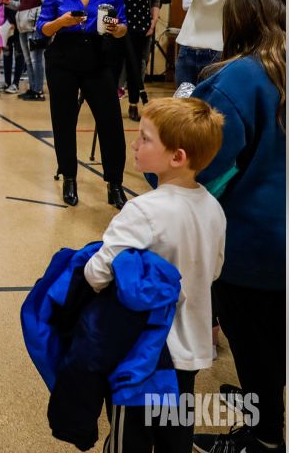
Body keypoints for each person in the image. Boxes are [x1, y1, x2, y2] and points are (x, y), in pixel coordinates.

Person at [83, 97, 227, 452]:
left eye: (145, 138)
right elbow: (215, 270)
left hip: (141, 354)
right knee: (174, 438)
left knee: (127, 439)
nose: (134, 142)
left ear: (176, 156)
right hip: (189, 351)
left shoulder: (142, 210)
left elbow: (97, 273)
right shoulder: (214, 208)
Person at [188, 0, 286, 453]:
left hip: (256, 243)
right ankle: (266, 407)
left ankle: (264, 437)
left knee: (255, 344)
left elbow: (196, 163)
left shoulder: (239, 78)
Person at [36, 0, 130, 209]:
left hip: (99, 57)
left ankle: (114, 184)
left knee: (110, 122)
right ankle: (69, 178)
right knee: (64, 120)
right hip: (63, 58)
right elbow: (42, 28)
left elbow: (123, 27)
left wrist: (118, 28)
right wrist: (61, 22)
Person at [107, 0, 162, 121]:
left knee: (135, 69)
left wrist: (153, 22)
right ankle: (111, 105)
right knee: (114, 67)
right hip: (116, 30)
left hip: (139, 30)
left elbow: (155, 0)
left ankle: (133, 105)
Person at [16, 0, 52, 101]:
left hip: (34, 27)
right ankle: (32, 88)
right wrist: (8, 3)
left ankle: (38, 91)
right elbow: (21, 5)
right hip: (23, 27)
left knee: (36, 59)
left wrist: (38, 20)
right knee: (28, 60)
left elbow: (48, 3)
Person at [1, 0, 26, 93]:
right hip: (5, 25)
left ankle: (15, 83)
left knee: (18, 53)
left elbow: (20, 6)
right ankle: (6, 81)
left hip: (18, 25)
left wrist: (15, 23)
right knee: (6, 53)